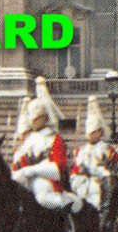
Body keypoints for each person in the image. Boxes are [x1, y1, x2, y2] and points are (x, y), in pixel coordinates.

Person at [11, 77, 73, 212]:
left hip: (48, 183)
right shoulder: (29, 140)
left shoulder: (54, 139)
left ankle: (66, 212)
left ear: (44, 118)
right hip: (26, 182)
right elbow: (18, 163)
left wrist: (32, 170)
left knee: (42, 197)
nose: (33, 122)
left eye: (36, 118)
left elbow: (58, 168)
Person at [70, 96, 118, 212]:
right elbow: (75, 169)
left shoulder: (107, 149)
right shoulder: (80, 150)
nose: (91, 135)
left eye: (94, 132)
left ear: (100, 133)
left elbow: (115, 166)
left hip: (99, 183)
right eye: (89, 133)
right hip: (82, 183)